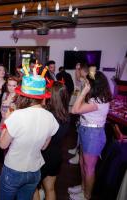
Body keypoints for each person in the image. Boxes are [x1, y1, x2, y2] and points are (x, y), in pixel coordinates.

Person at [0, 74, 59, 200]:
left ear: (23, 95)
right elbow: (44, 146)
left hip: (13, 169)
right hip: (34, 170)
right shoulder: (50, 117)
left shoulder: (17, 115)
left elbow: (3, 144)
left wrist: (6, 120)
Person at [69, 70, 112, 200]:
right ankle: (83, 188)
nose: (86, 83)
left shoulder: (98, 101)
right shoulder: (95, 97)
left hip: (93, 135)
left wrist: (83, 92)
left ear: (95, 84)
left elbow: (74, 110)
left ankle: (86, 196)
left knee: (89, 168)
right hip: (86, 131)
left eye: (88, 82)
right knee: (82, 163)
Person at [33, 82, 70, 200]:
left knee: (33, 188)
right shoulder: (66, 115)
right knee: (50, 188)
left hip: (42, 156)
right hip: (56, 155)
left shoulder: (47, 115)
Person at [68, 63, 90, 165]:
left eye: (80, 71)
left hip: (85, 110)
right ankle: (76, 149)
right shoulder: (84, 79)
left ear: (84, 71)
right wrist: (76, 68)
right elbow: (77, 78)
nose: (79, 74)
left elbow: (77, 78)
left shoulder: (89, 81)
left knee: (81, 132)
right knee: (79, 130)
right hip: (81, 108)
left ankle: (78, 155)